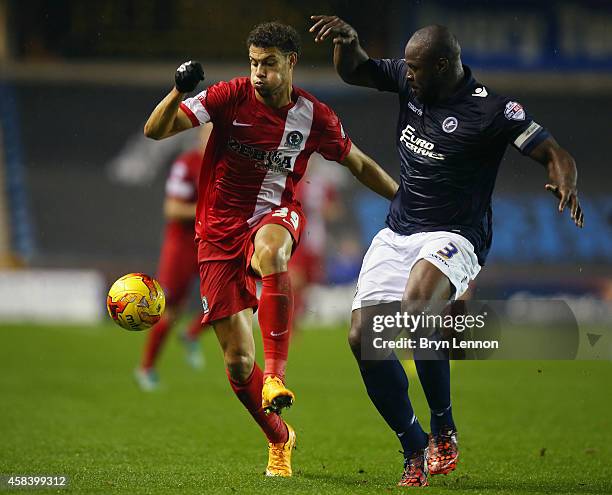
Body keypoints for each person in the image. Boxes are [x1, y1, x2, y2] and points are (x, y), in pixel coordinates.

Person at [310, 16, 583, 487]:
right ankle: (412, 444)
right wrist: (348, 43)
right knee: (362, 338)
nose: (407, 75)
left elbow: (553, 151)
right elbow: (355, 71)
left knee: (418, 308)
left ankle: (443, 425)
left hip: (456, 234)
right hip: (398, 231)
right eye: (406, 69)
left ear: (442, 65)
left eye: (416, 69)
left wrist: (565, 181)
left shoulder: (495, 111)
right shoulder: (409, 79)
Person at [143, 22, 398, 477]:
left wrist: (403, 199)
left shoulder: (314, 116)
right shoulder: (228, 96)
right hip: (217, 233)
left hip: (275, 214)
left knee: (274, 253)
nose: (259, 73)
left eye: (270, 64)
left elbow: (358, 163)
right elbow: (154, 131)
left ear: (291, 63)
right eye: (254, 63)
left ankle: (277, 374)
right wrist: (176, 91)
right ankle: (279, 437)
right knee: (239, 364)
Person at [135, 125, 212, 391]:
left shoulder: (230, 165)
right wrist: (207, 210)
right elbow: (172, 208)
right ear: (200, 137)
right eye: (210, 134)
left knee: (228, 301)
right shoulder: (187, 164)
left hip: (213, 245)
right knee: (169, 310)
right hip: (182, 246)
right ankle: (146, 367)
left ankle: (191, 334)